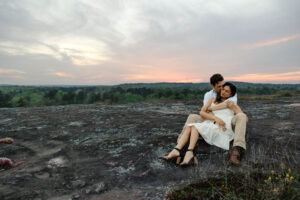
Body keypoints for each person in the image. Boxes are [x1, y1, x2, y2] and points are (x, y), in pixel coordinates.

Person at [166, 74, 247, 166]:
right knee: (192, 117)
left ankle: (237, 149)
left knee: (241, 116)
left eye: (223, 87)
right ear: (213, 86)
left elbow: (228, 105)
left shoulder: (231, 95)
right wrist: (215, 118)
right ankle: (181, 148)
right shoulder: (209, 96)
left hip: (228, 120)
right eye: (220, 87)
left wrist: (212, 109)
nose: (222, 90)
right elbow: (204, 112)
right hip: (212, 118)